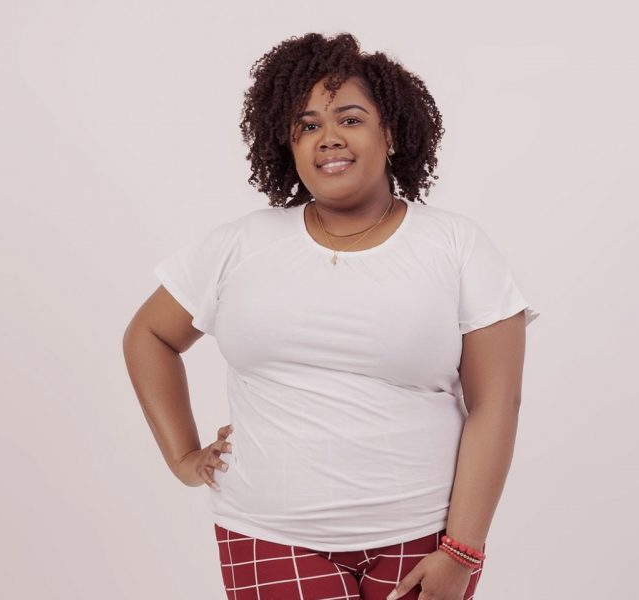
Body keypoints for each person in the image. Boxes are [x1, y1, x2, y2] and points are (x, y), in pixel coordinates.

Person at [123, 32, 538, 600]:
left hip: (425, 534)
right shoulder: (241, 245)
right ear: (288, 144)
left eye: (350, 118)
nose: (329, 138)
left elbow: (497, 404)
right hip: (267, 534)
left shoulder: (456, 246)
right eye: (308, 125)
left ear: (390, 133)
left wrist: (462, 550)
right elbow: (149, 335)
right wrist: (182, 457)